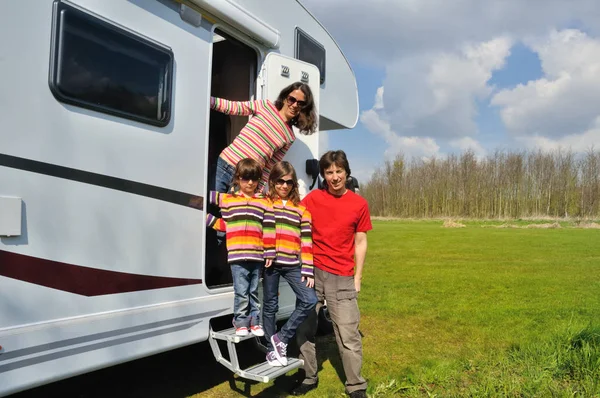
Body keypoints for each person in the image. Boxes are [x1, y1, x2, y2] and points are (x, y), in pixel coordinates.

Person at [293, 150, 372, 398]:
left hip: (343, 276)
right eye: (329, 172)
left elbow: (360, 242)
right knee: (305, 329)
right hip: (312, 275)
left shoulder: (359, 204)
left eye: (339, 171)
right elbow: (292, 224)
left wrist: (357, 277)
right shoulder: (312, 199)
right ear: (323, 175)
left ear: (347, 172)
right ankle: (308, 376)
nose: (335, 177)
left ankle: (356, 385)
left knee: (348, 335)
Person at [206, 158, 276, 336]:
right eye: (246, 178)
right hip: (237, 256)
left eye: (254, 179)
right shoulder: (229, 199)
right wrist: (207, 218)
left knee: (253, 291)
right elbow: (226, 225)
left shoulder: (263, 201)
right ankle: (241, 322)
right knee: (241, 292)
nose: (250, 183)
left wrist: (269, 251)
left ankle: (255, 322)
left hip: (257, 256)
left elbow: (268, 227)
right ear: (238, 178)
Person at [211, 82, 317, 194]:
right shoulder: (265, 106)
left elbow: (269, 167)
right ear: (285, 98)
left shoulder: (290, 137)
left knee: (230, 211)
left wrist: (258, 191)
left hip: (247, 179)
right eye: (292, 99)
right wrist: (208, 100)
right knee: (210, 208)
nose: (295, 105)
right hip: (225, 166)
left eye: (300, 103)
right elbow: (234, 107)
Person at [262, 161, 318, 367]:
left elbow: (306, 241)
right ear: (273, 182)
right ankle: (271, 350)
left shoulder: (302, 209)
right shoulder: (265, 203)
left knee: (309, 299)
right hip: (271, 263)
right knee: (270, 306)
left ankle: (281, 338)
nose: (284, 186)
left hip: (293, 264)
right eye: (280, 181)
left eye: (289, 182)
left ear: (294, 185)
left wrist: (308, 270)